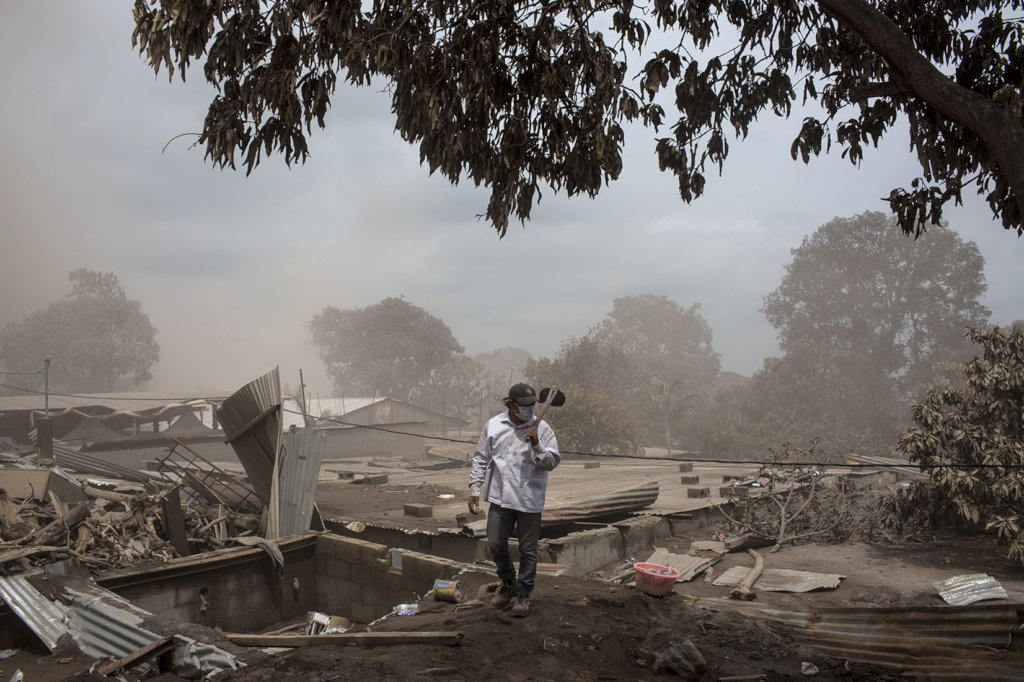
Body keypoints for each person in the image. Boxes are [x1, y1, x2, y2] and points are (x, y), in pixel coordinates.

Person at [468, 382, 560, 617]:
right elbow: (481, 458)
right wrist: (474, 489)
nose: (530, 409)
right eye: (524, 405)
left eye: (532, 405)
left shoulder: (543, 429)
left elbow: (552, 463)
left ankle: (523, 594)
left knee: (528, 550)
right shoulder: (494, 426)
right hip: (500, 498)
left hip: (529, 499)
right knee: (495, 543)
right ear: (512, 404)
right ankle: (508, 583)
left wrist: (537, 445)